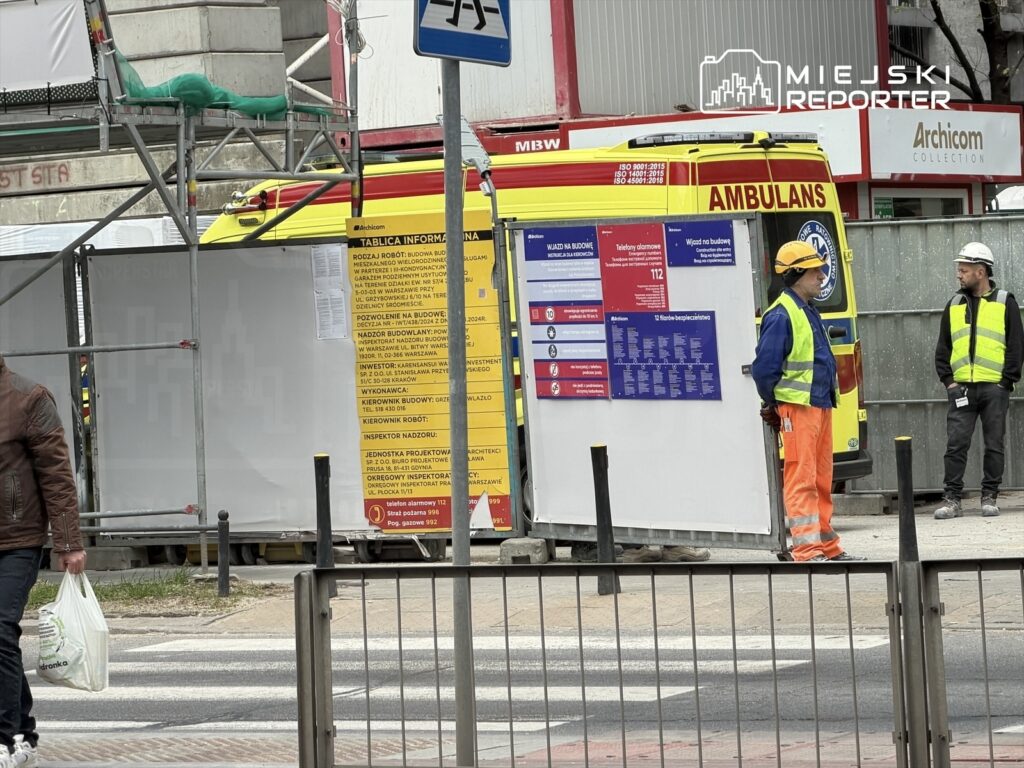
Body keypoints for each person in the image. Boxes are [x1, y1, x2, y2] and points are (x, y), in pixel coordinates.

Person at [752, 241, 862, 563]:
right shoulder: (782, 315)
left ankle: (827, 546)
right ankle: (807, 550)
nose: (821, 275)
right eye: (815, 270)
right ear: (797, 273)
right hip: (798, 409)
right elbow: (764, 369)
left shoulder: (805, 309)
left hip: (818, 405)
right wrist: (772, 404)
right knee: (802, 480)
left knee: (821, 480)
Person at [1, 356, 86, 768]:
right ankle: (22, 732)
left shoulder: (28, 397)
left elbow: (56, 473)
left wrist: (68, 542)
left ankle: (5, 738)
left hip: (18, 538)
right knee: (0, 638)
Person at [933, 242, 1023, 519]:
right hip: (961, 388)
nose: (959, 274)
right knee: (956, 444)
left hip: (994, 388)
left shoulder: (1005, 301)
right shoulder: (954, 304)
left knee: (994, 444)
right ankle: (952, 499)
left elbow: (1016, 345)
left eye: (964, 270)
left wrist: (1005, 382)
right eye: (959, 270)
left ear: (980, 271)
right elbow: (943, 347)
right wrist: (949, 381)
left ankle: (989, 496)